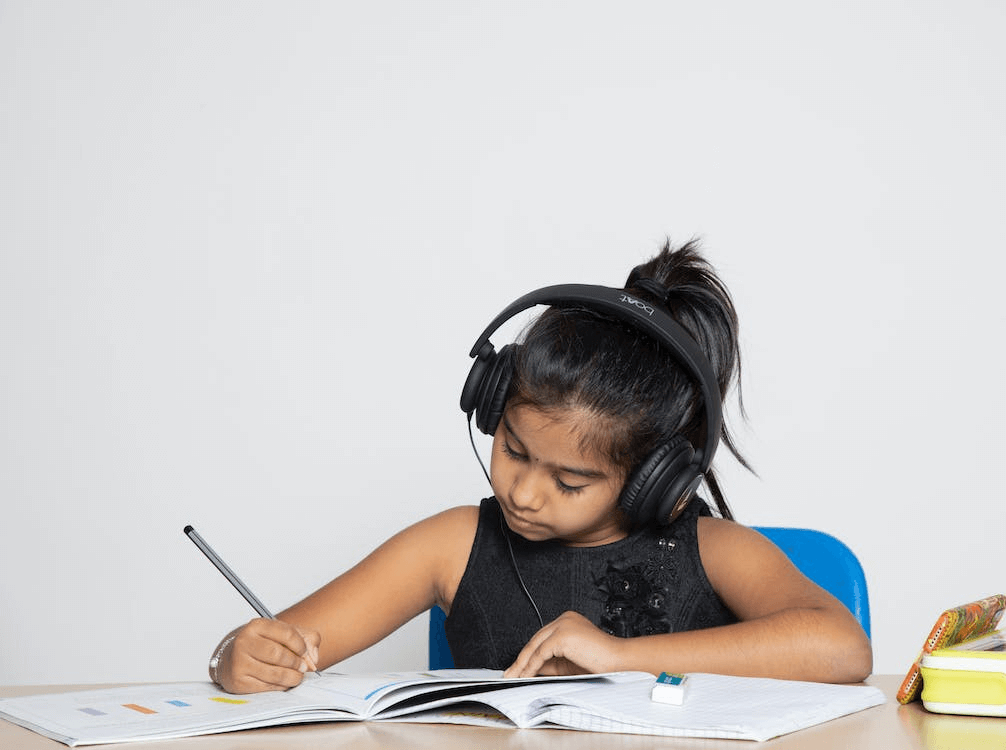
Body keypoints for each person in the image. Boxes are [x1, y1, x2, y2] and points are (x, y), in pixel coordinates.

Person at [208, 240, 873, 694]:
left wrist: (618, 658)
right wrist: (236, 658)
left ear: (654, 478)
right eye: (514, 451)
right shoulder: (448, 546)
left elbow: (842, 650)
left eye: (570, 481)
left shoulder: (712, 550)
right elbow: (281, 639)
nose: (522, 493)